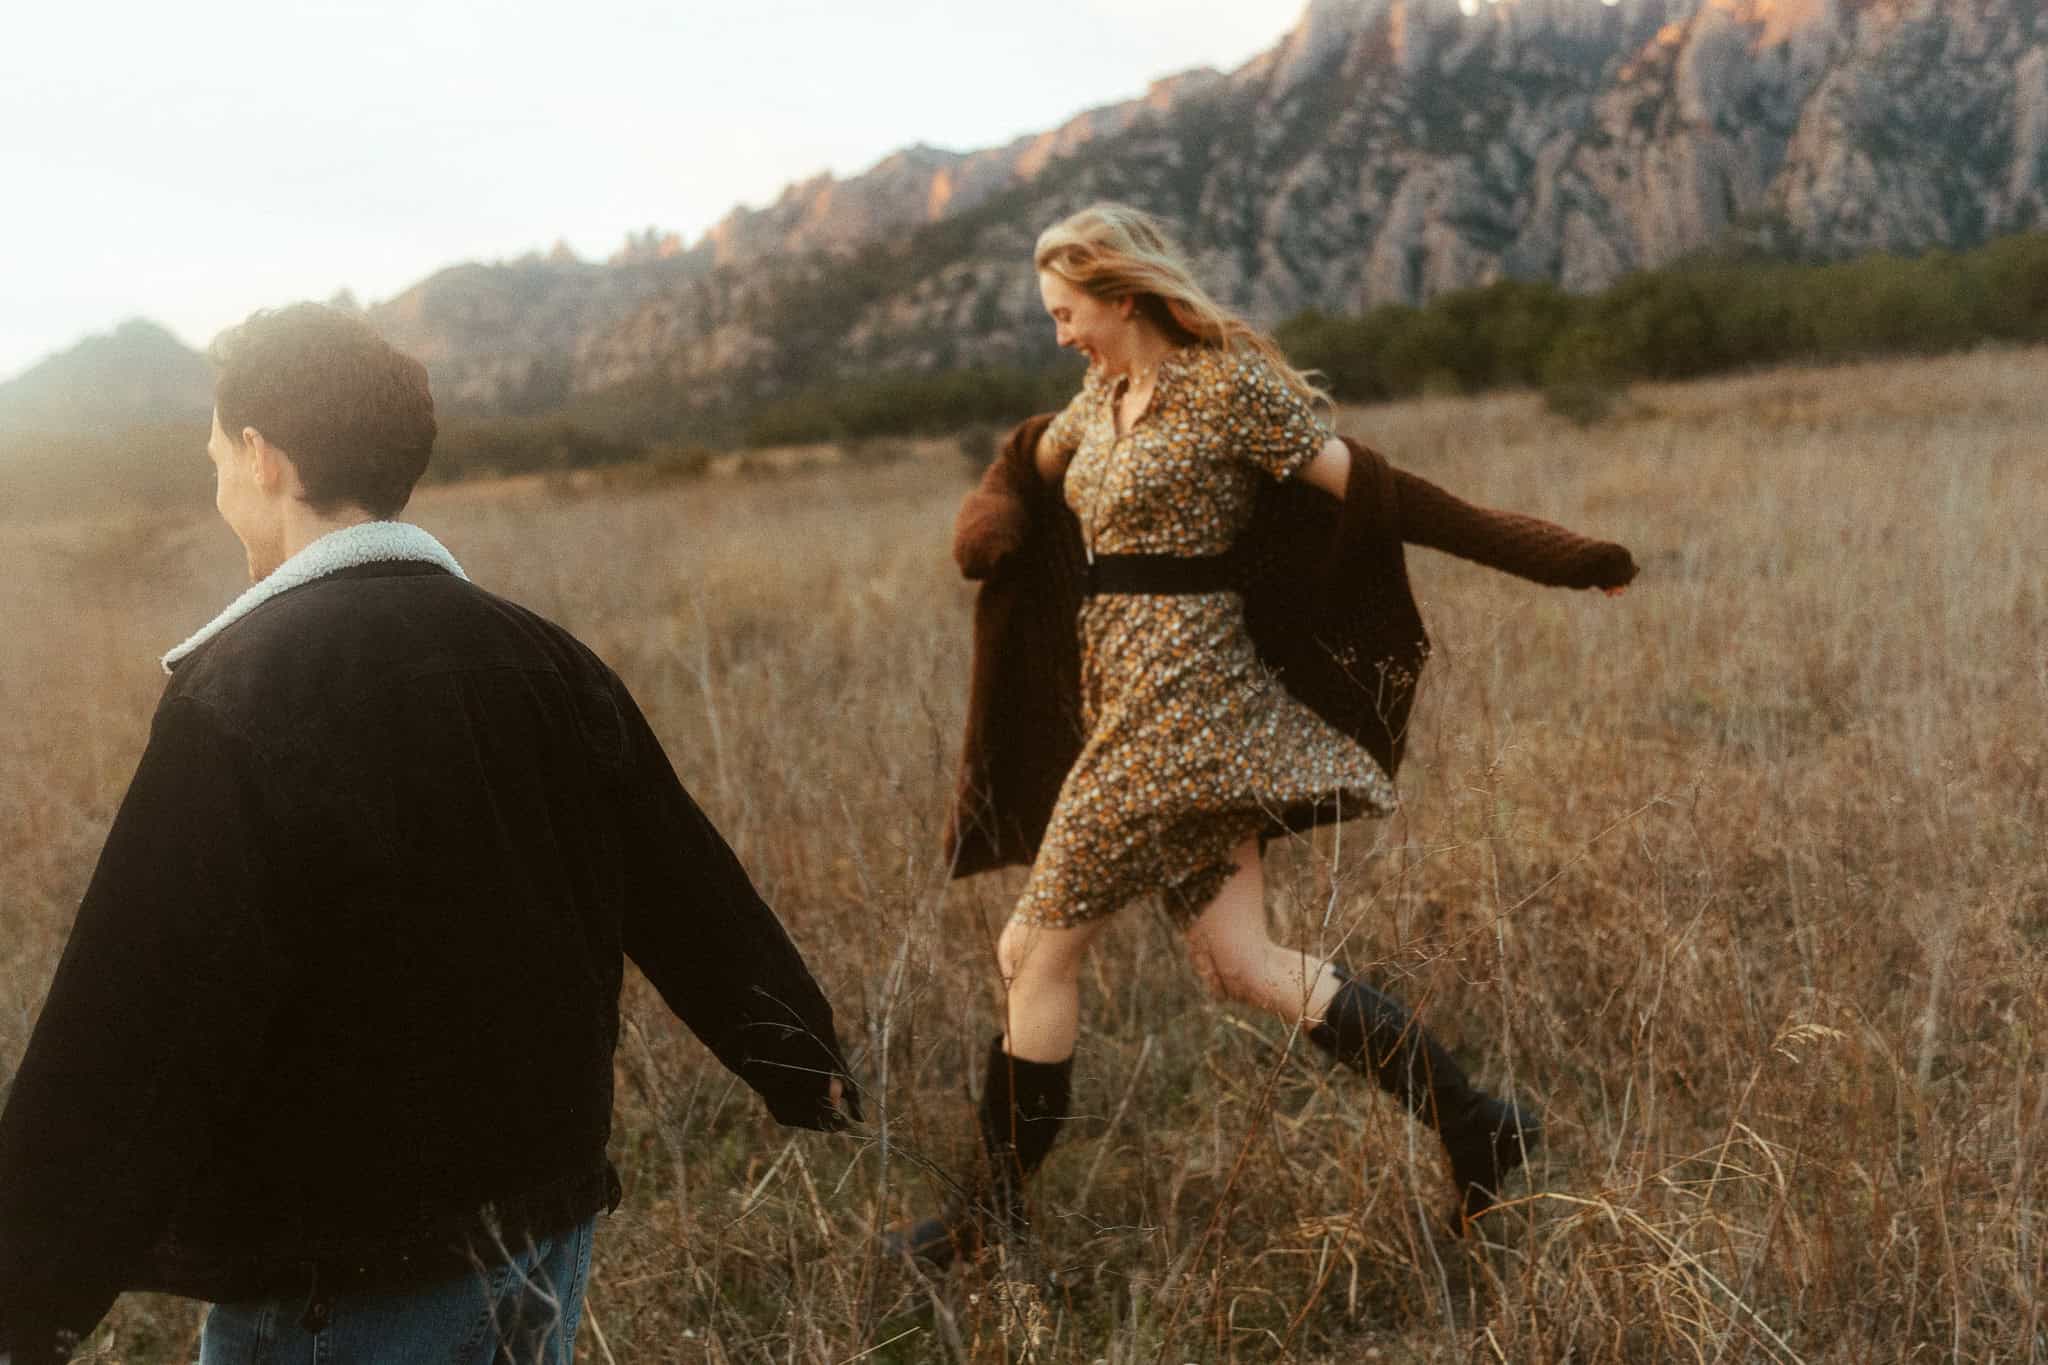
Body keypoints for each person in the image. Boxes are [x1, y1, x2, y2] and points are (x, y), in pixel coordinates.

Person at [0, 303, 858, 1365]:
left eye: (217, 452)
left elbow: (140, 1009)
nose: (217, 478)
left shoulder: (247, 689)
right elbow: (684, 882)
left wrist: (30, 1286)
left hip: (347, 1271)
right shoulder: (545, 658)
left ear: (263, 458)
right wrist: (795, 1053)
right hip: (545, 1225)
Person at [896, 203, 1637, 1266]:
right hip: (1128, 703)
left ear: (1120, 294)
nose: (1057, 333)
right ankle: (1477, 1125)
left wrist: (1559, 555)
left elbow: (1382, 492)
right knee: (1241, 963)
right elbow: (1029, 460)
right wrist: (993, 509)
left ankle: (982, 1222)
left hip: (1182, 714)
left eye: (1067, 312)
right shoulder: (1100, 392)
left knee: (1029, 949)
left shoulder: (1227, 390)